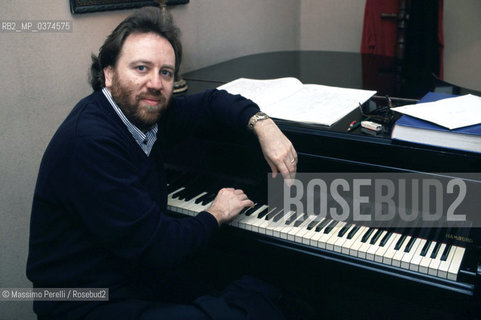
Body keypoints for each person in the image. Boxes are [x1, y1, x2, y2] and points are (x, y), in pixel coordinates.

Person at [26, 6, 298, 320]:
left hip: (132, 274)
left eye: (165, 72)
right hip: (88, 302)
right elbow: (160, 246)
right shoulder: (90, 143)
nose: (155, 83)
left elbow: (212, 102)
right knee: (248, 307)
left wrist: (262, 124)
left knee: (260, 289)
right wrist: (215, 213)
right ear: (109, 73)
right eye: (141, 68)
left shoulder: (145, 112)